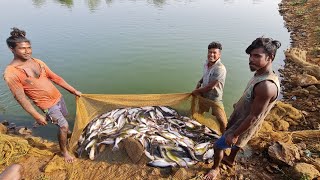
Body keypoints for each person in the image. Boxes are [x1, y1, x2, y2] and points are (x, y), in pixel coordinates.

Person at [204, 37, 281, 180]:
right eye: (251, 55)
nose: (251, 59)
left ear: (270, 57)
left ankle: (215, 169)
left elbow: (253, 117)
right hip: (243, 118)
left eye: (257, 56)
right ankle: (230, 160)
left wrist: (234, 134)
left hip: (244, 122)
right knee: (240, 142)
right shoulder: (260, 74)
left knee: (217, 146)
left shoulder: (266, 86)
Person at [3, 27, 82, 163]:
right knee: (63, 126)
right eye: (22, 48)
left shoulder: (38, 62)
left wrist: (73, 90)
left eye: (29, 47)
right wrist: (36, 115)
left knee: (65, 120)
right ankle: (64, 152)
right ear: (12, 49)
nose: (27, 51)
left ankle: (66, 133)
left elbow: (55, 78)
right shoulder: (11, 73)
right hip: (47, 105)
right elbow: (21, 98)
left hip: (58, 98)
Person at [192, 41, 228, 134]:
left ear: (219, 54)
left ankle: (224, 136)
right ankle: (198, 127)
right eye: (209, 52)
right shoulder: (206, 64)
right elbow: (205, 75)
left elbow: (210, 87)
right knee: (200, 112)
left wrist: (196, 91)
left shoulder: (220, 68)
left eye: (214, 53)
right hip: (204, 95)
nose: (211, 54)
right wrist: (200, 82)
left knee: (222, 120)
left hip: (215, 98)